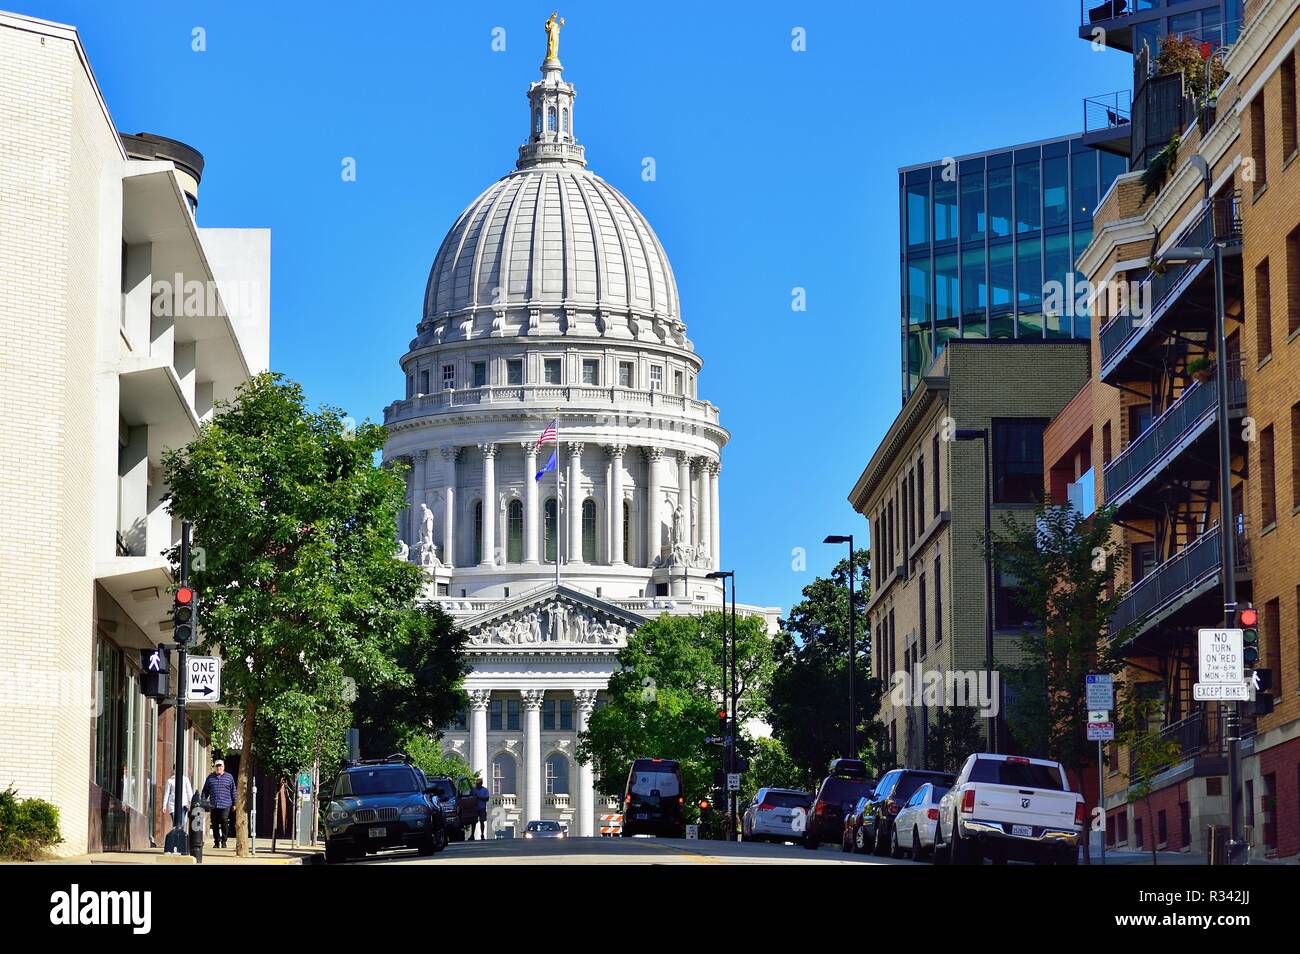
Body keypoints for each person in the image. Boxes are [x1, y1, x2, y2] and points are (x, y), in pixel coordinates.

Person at [202, 759, 237, 848]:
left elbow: (233, 791)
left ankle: (224, 840)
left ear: (223, 767)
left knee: (224, 820)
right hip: (214, 804)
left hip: (226, 804)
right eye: (217, 766)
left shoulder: (229, 777)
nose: (219, 768)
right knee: (214, 823)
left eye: (220, 766)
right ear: (215, 767)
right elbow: (205, 791)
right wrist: (203, 801)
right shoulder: (210, 777)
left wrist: (234, 803)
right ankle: (217, 842)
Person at [470, 775, 490, 840]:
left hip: (482, 807)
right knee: (473, 822)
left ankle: (482, 834)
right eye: (477, 783)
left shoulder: (485, 790)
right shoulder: (473, 790)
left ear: (481, 783)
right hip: (475, 808)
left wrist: (478, 797)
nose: (477, 784)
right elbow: (470, 797)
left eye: (478, 783)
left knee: (482, 821)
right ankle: (472, 835)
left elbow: (487, 798)